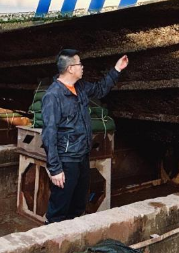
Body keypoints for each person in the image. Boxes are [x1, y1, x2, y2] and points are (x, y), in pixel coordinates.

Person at [42, 49, 128, 224]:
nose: (82, 67)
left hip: (82, 156)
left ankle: (72, 237)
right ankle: (52, 236)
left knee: (78, 204)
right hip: (66, 160)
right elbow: (49, 134)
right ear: (70, 68)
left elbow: (100, 89)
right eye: (80, 64)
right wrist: (55, 169)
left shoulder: (80, 87)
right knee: (59, 207)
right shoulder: (53, 96)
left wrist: (117, 69)